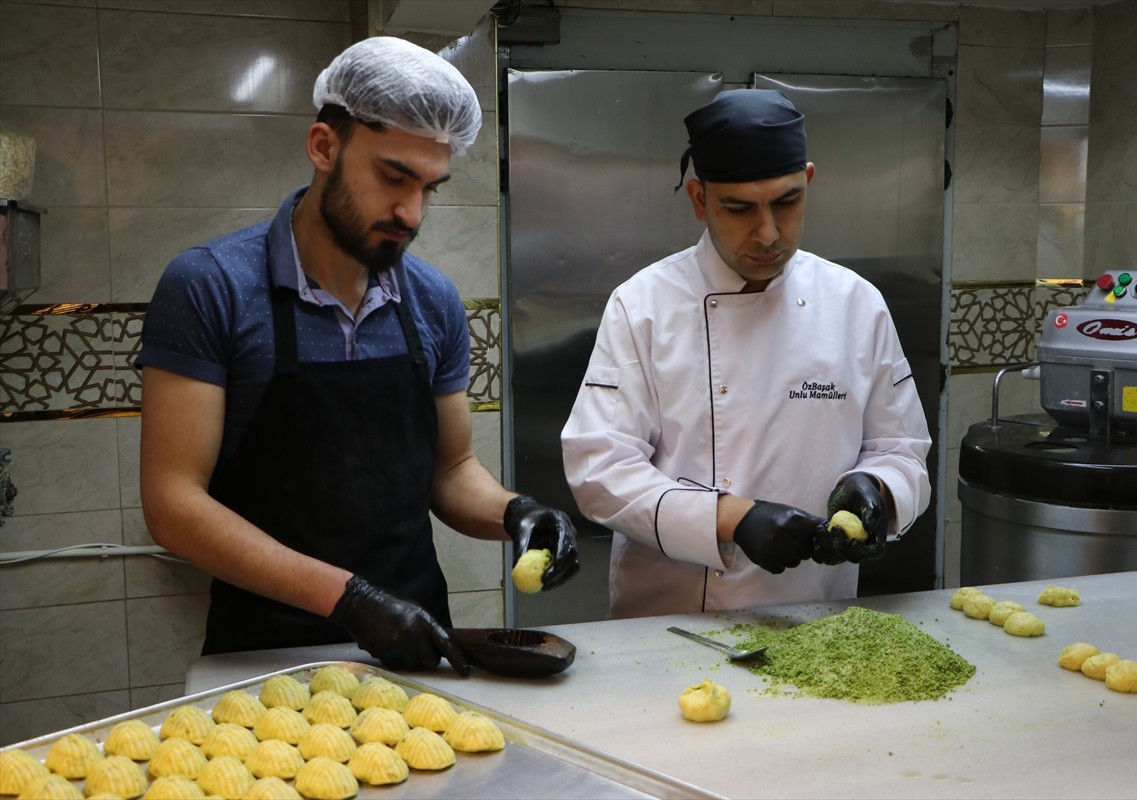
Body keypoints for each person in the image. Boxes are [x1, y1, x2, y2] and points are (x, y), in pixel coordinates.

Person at [138, 37, 579, 674]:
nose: (411, 211)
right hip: (266, 652)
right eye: (393, 177)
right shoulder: (212, 286)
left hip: (418, 641)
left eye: (431, 187)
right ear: (324, 147)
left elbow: (451, 470)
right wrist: (349, 599)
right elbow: (174, 504)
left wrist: (519, 513)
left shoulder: (431, 300)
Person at [561, 89, 930, 618]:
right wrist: (729, 518)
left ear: (809, 180)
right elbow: (600, 469)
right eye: (738, 209)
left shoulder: (856, 304)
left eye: (787, 202)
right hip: (671, 621)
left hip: (817, 616)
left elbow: (902, 449)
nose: (768, 234)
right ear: (698, 199)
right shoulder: (643, 306)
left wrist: (879, 489)